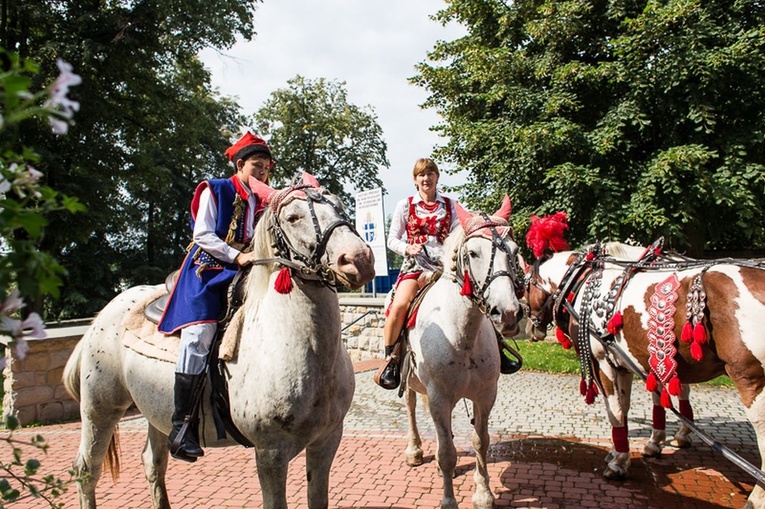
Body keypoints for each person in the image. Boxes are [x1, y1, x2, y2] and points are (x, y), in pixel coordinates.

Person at [157, 131, 273, 462]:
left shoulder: (263, 201)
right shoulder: (216, 189)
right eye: (256, 166)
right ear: (240, 165)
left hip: (245, 271)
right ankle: (181, 427)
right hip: (206, 270)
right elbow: (203, 234)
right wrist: (236, 256)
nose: (262, 174)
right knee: (199, 334)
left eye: (266, 168)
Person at [375, 158, 459, 390]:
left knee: (473, 298)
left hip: (444, 269)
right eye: (421, 175)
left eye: (430, 174)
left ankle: (499, 347)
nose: (426, 178)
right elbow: (392, 239)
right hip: (415, 268)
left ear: (437, 177)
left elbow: (458, 235)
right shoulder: (405, 205)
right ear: (415, 180)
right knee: (400, 306)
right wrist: (407, 248)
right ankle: (391, 360)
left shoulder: (451, 205)